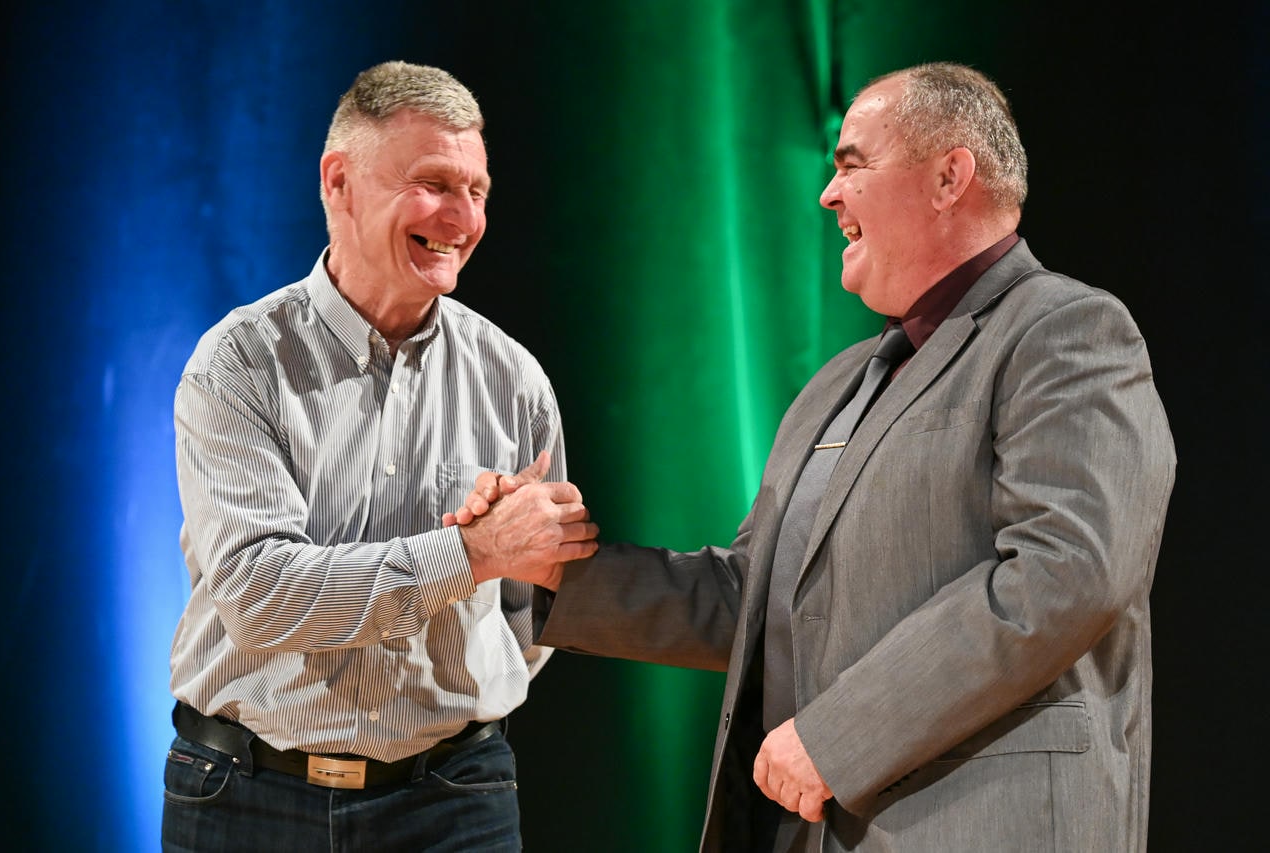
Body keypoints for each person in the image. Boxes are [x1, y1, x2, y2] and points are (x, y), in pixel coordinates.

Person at [451, 62, 1175, 851]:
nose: (828, 195)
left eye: (852, 165)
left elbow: (1065, 572)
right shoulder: (838, 383)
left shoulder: (1064, 331)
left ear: (949, 177)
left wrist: (838, 736)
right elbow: (752, 598)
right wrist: (552, 566)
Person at [163, 61, 598, 852]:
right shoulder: (238, 365)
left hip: (454, 800)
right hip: (246, 796)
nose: (463, 218)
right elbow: (260, 596)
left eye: (478, 191)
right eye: (434, 183)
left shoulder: (513, 379)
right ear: (339, 182)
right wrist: (471, 552)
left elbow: (531, 616)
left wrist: (511, 563)